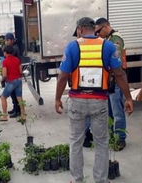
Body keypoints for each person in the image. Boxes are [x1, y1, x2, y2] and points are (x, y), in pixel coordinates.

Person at [55, 17, 133, 183]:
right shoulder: (107, 46)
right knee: (101, 142)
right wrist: (128, 98)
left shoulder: (73, 46)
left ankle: (77, 180)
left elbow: (63, 76)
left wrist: (57, 99)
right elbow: (119, 74)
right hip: (99, 101)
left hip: (77, 101)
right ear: (93, 28)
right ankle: (101, 180)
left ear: (80, 29)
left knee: (76, 142)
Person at [94, 17, 127, 150]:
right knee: (109, 111)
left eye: (98, 31)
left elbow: (116, 63)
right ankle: (111, 136)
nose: (97, 34)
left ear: (105, 26)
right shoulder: (108, 39)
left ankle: (120, 138)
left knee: (117, 111)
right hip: (108, 81)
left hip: (115, 81)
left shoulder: (115, 39)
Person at [0, 45, 25, 121]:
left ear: (5, 52)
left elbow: (4, 74)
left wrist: (2, 79)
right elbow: (20, 71)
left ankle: (4, 115)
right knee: (20, 98)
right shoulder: (17, 59)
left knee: (3, 97)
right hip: (19, 80)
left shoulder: (5, 61)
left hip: (11, 81)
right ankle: (23, 115)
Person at [5, 33, 21, 118]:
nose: (6, 42)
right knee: (12, 93)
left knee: (15, 93)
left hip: (14, 75)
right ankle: (15, 108)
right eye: (6, 40)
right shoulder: (12, 48)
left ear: (12, 40)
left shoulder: (14, 49)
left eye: (8, 40)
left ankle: (17, 110)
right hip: (11, 75)